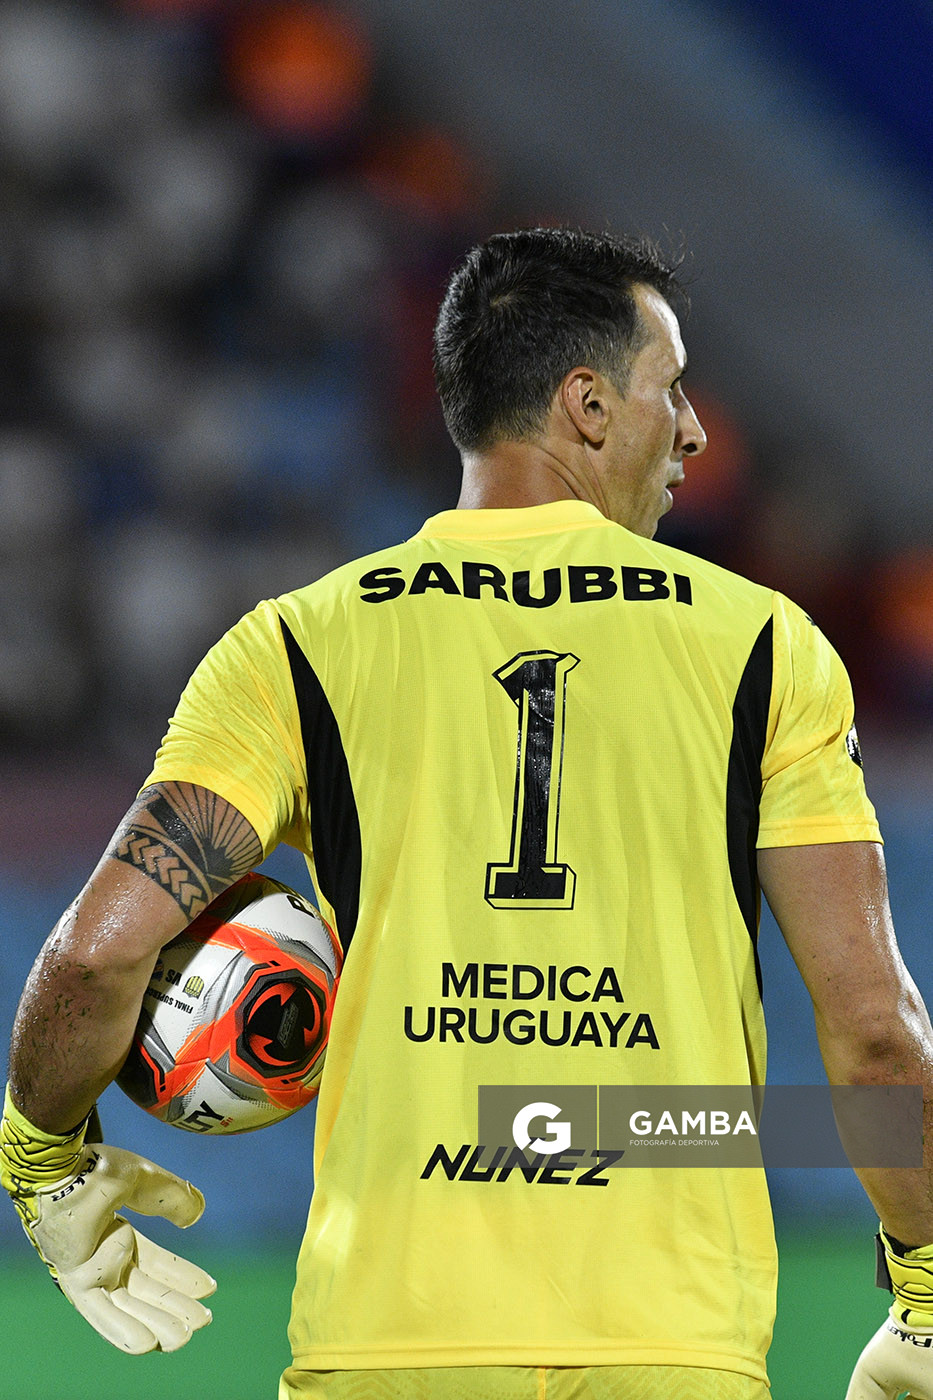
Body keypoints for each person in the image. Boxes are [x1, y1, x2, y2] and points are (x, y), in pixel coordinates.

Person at [2, 226, 932, 1400]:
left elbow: (97, 956)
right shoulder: (763, 647)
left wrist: (45, 1161)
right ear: (588, 405)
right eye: (674, 390)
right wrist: (928, 1291)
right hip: (669, 1347)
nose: (694, 431)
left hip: (383, 1347)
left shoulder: (297, 647)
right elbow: (874, 1032)